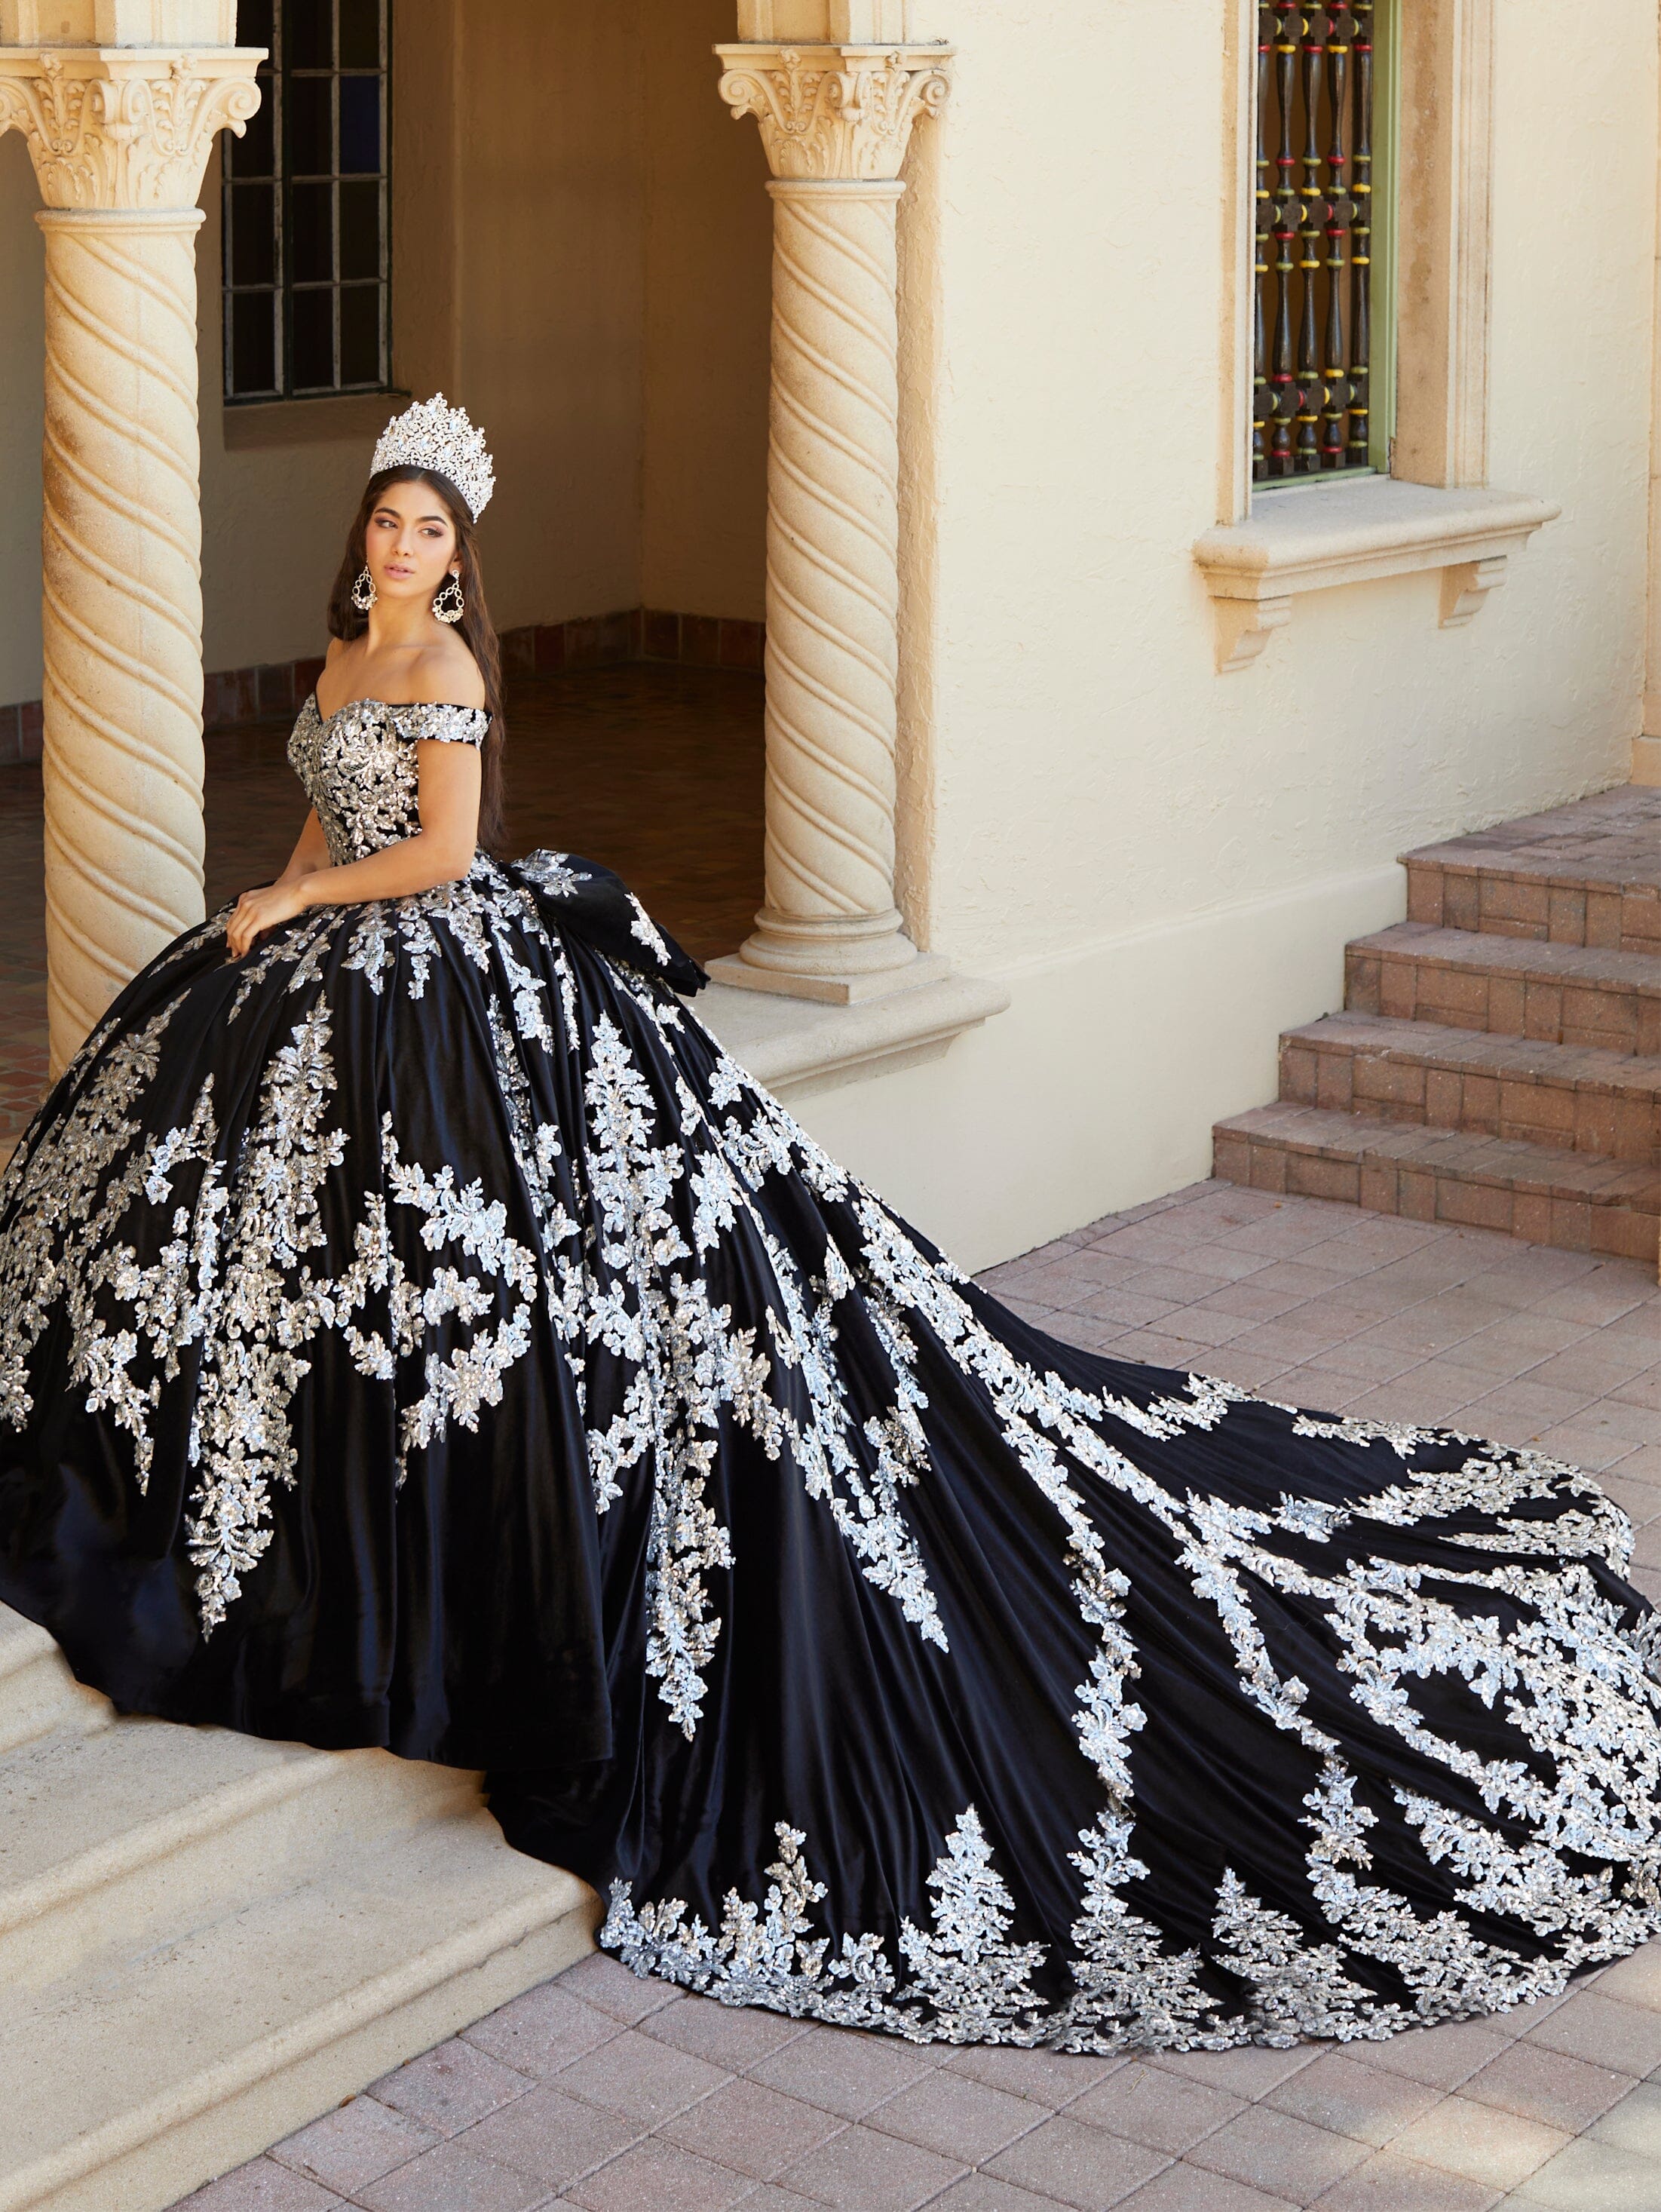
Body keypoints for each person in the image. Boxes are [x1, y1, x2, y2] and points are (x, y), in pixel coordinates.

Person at [2, 397, 1658, 2057]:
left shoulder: (446, 677)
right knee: (279, 1238)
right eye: (389, 525)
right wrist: (269, 906)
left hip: (435, 971)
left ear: (462, 556)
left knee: (479, 1278)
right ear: (363, 535)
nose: (404, 550)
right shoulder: (344, 667)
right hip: (330, 965)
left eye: (432, 533)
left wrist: (304, 900)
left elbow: (438, 851)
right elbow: (322, 821)